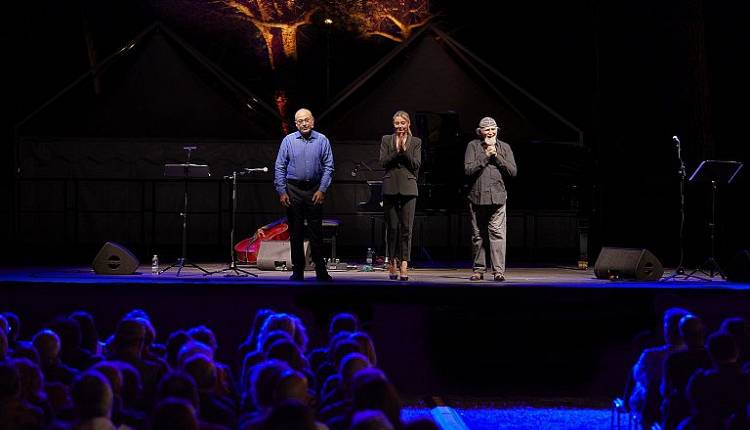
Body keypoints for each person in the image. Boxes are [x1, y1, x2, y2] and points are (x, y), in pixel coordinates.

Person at [274, 108, 335, 281]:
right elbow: (279, 166)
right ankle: (298, 270)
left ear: (313, 121)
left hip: (315, 189)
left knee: (316, 232)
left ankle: (320, 270)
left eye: (306, 120)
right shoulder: (288, 140)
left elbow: (329, 167)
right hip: (293, 190)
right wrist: (281, 191)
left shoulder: (322, 140)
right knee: (296, 232)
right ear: (296, 124)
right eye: (300, 121)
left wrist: (322, 189)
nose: (304, 123)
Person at [464, 116, 517, 281]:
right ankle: (479, 270)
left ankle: (498, 271)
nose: (490, 132)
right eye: (486, 129)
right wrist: (486, 156)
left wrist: (496, 157)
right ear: (480, 132)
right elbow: (468, 170)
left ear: (497, 130)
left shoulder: (505, 147)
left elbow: (513, 171)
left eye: (493, 129)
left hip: (498, 198)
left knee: (497, 234)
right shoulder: (473, 146)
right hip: (477, 197)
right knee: (478, 235)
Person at [379, 110, 422, 281]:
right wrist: (396, 151)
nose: (399, 126)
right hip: (390, 187)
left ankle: (405, 262)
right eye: (397, 123)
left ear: (408, 123)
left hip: (409, 188)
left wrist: (404, 151)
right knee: (393, 228)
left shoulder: (416, 141)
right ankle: (393, 262)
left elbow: (416, 164)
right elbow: (382, 162)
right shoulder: (386, 139)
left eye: (402, 123)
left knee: (406, 229)